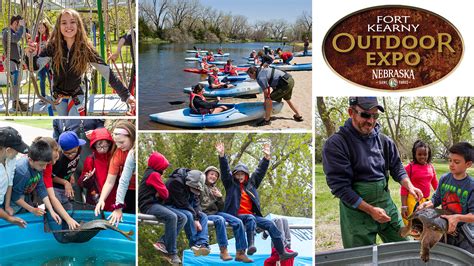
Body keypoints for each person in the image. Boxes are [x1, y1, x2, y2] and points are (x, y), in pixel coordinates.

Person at [322, 97, 424, 248]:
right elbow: (340, 188)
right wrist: (370, 210)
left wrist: (409, 186)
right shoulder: (336, 144)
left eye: (375, 116)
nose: (370, 121)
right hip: (356, 212)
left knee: (404, 248)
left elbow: (396, 167)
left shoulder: (384, 141)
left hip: (385, 206)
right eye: (365, 115)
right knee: (361, 258)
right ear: (351, 112)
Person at [25, 9, 135, 116]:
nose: (68, 26)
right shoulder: (52, 46)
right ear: (59, 26)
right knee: (64, 121)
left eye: (72, 22)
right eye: (64, 23)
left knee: (73, 123)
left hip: (77, 95)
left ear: (78, 25)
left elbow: (107, 72)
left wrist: (126, 95)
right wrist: (31, 55)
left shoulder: (86, 49)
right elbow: (34, 68)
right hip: (58, 96)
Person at [216, 142, 298, 261]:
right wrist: (222, 156)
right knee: (250, 218)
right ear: (234, 176)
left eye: (242, 174)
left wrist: (266, 158)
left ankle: (282, 252)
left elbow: (260, 171)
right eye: (237, 174)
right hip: (235, 214)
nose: (240, 176)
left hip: (251, 216)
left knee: (271, 224)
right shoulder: (230, 185)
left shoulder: (251, 184)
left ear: (246, 175)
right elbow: (225, 171)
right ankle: (251, 245)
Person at [417, 142, 474, 253]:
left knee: (462, 257)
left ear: (468, 164)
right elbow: (436, 198)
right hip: (443, 226)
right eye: (450, 160)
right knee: (443, 254)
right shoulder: (444, 178)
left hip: (463, 232)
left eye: (456, 162)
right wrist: (428, 204)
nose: (451, 164)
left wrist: (457, 218)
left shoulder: (471, 185)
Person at [138, 152, 186, 264]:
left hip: (156, 204)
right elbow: (165, 194)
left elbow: (163, 193)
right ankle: (172, 252)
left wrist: (159, 192)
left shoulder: (152, 174)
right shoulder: (154, 175)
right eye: (164, 167)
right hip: (148, 205)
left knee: (183, 217)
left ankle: (163, 242)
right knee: (172, 216)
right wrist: (160, 191)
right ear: (160, 166)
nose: (165, 170)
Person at [200, 165, 253, 262]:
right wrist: (214, 200)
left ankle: (240, 252)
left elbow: (222, 208)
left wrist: (220, 197)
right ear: (206, 175)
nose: (213, 177)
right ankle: (223, 250)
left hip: (216, 212)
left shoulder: (215, 189)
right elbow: (203, 205)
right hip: (205, 213)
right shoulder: (200, 187)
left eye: (216, 176)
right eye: (211, 174)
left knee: (238, 221)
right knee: (220, 220)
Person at [11, 140, 61, 226]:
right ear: (30, 160)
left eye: (46, 164)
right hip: (13, 203)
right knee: (17, 222)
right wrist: (32, 209)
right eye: (42, 165)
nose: (45, 168)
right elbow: (15, 196)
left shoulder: (39, 165)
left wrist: (52, 211)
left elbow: (41, 188)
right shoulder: (23, 172)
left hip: (25, 196)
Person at [36, 136, 80, 229]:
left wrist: (68, 219)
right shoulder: (29, 167)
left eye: (56, 158)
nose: (54, 162)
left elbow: (52, 197)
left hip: (40, 189)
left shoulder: (48, 167)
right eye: (50, 161)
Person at [165, 168, 211, 256]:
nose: (194, 191)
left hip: (184, 206)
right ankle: (194, 243)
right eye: (193, 188)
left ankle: (203, 243)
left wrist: (197, 217)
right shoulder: (175, 182)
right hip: (172, 206)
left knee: (203, 216)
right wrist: (195, 219)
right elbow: (183, 204)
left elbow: (196, 203)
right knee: (189, 215)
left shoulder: (195, 186)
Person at [95, 120, 136, 216]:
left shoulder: (135, 151)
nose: (118, 146)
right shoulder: (118, 154)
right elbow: (110, 182)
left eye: (121, 142)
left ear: (132, 136)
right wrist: (101, 199)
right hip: (126, 190)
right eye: (116, 142)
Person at [400, 140, 438, 225]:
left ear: (428, 154)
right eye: (419, 154)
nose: (422, 157)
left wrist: (443, 197)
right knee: (415, 225)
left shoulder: (430, 167)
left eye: (425, 154)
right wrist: (404, 206)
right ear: (415, 154)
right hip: (413, 201)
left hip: (426, 201)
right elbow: (404, 188)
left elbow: (436, 184)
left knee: (426, 225)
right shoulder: (410, 167)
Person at [78, 128, 116, 209]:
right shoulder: (90, 160)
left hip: (112, 197)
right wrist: (87, 178)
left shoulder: (114, 158)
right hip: (94, 197)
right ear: (94, 145)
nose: (102, 148)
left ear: (110, 144)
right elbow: (82, 183)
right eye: (99, 146)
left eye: (105, 146)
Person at [0, 127, 28, 228]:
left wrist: (7, 206)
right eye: (17, 150)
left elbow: (10, 182)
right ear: (8, 150)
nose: (18, 153)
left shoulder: (10, 159)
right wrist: (9, 219)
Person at [53, 131, 86, 210]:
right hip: (55, 188)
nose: (71, 155)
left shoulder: (79, 149)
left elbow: (72, 163)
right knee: (59, 209)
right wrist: (65, 182)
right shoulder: (58, 159)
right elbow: (50, 176)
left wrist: (71, 174)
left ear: (78, 146)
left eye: (73, 152)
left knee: (69, 207)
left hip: (66, 184)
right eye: (67, 153)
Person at [2, 15, 28, 111]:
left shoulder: (13, 32)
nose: (19, 26)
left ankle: (16, 101)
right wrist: (21, 27)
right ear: (15, 23)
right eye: (18, 24)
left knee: (16, 83)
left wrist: (23, 60)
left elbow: (18, 47)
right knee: (15, 82)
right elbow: (15, 39)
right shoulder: (7, 32)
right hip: (10, 61)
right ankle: (15, 103)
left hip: (16, 61)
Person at [108, 29, 136, 97]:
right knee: (132, 94)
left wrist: (117, 53)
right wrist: (117, 53)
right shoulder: (134, 32)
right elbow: (123, 39)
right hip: (135, 69)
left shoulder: (134, 32)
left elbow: (123, 39)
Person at [36, 20, 52, 104]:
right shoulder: (37, 38)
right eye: (39, 28)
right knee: (42, 79)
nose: (40, 29)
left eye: (42, 27)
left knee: (51, 79)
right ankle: (43, 97)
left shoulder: (50, 37)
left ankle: (53, 96)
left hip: (49, 61)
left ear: (45, 27)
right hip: (40, 61)